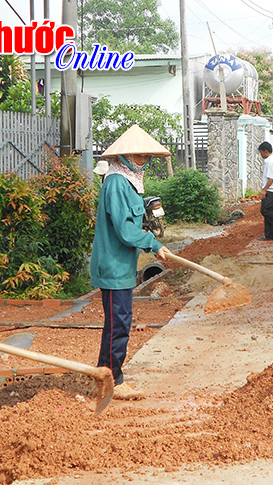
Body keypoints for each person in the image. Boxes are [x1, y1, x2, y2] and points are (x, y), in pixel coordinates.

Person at [91, 125, 173, 400]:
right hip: (113, 265)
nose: (144, 160)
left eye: (146, 155)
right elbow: (125, 231)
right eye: (139, 155)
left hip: (121, 265)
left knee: (117, 323)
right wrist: (154, 244)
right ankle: (114, 381)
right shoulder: (117, 183)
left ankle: (105, 376)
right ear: (125, 156)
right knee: (119, 324)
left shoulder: (127, 181)